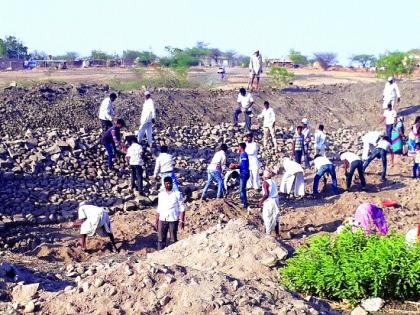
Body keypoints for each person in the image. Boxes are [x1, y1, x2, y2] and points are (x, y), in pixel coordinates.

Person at [154, 177, 185, 250]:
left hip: (173, 219)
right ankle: (159, 254)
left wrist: (182, 221)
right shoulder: (161, 195)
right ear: (164, 184)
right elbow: (159, 208)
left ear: (172, 184)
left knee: (173, 239)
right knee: (161, 239)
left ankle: (173, 254)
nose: (168, 185)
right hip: (163, 219)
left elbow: (182, 208)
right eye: (166, 184)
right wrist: (156, 221)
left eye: (169, 183)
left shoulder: (177, 194)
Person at [258, 170, 280, 237]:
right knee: (275, 217)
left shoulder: (265, 183)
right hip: (276, 200)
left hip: (270, 201)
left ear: (264, 177)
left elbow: (266, 194)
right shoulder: (273, 181)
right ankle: (277, 234)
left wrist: (260, 202)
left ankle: (268, 234)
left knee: (267, 217)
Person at [229, 143, 250, 210]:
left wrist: (235, 166)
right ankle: (243, 201)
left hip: (244, 173)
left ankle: (245, 203)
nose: (238, 148)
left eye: (238, 147)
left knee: (242, 189)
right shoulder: (242, 155)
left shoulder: (243, 154)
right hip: (243, 172)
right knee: (242, 189)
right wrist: (236, 165)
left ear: (241, 147)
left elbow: (243, 165)